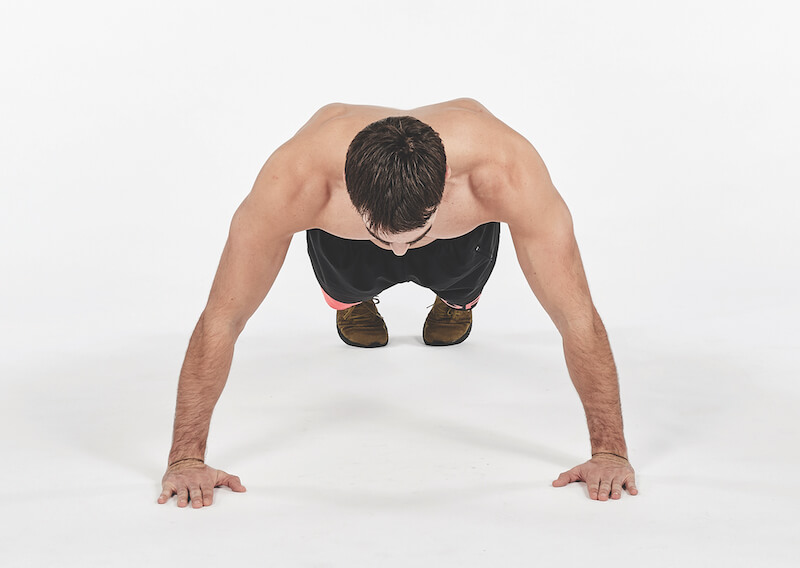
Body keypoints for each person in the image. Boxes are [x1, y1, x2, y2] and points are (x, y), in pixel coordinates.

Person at [157, 98, 638, 508]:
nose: (402, 252)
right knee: (351, 280)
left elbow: (575, 315)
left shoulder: (504, 172)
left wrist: (609, 451)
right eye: (385, 239)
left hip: (458, 236)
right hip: (347, 241)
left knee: (457, 279)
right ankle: (352, 299)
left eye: (414, 237)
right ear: (348, 186)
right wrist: (186, 458)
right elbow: (223, 317)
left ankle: (456, 300)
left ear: (447, 179)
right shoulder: (298, 181)